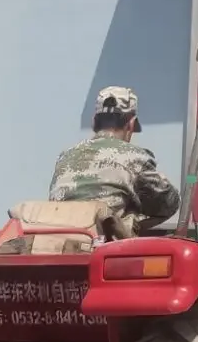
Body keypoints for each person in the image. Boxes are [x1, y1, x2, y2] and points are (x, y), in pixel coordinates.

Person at [47, 86, 181, 238]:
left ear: (93, 123)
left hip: (61, 244)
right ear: (131, 124)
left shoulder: (65, 157)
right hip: (106, 248)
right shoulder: (135, 157)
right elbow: (169, 204)